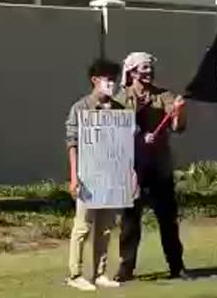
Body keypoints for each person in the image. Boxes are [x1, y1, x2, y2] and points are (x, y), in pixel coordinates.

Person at [113, 52, 188, 282]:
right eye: (144, 68)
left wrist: (179, 112)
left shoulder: (164, 95)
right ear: (132, 71)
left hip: (159, 167)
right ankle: (126, 268)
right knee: (129, 222)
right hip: (132, 169)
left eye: (150, 68)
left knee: (167, 220)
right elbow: (114, 125)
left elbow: (177, 127)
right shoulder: (120, 95)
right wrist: (137, 137)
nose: (148, 72)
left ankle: (177, 265)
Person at [64, 58, 124, 291]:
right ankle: (75, 273)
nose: (111, 83)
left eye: (114, 79)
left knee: (106, 227)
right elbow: (72, 143)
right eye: (107, 79)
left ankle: (100, 273)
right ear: (95, 80)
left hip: (111, 176)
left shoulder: (119, 109)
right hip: (88, 175)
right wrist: (74, 176)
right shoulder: (80, 108)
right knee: (83, 226)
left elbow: (123, 146)